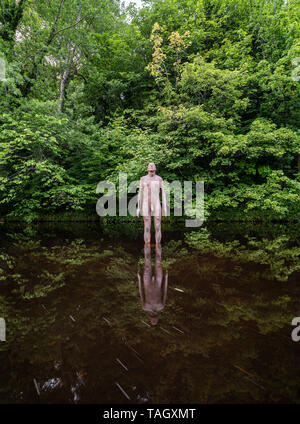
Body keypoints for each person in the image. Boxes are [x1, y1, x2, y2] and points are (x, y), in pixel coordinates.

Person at [137, 163, 167, 244]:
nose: (151, 169)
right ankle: (147, 246)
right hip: (146, 204)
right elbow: (140, 193)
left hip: (156, 203)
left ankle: (158, 246)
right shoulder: (143, 179)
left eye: (153, 168)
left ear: (155, 169)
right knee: (147, 227)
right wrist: (138, 207)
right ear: (147, 169)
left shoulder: (159, 179)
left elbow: (163, 193)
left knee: (157, 226)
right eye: (150, 168)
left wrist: (165, 207)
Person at [137, 244, 168, 326]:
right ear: (158, 318)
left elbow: (141, 292)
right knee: (158, 261)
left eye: (152, 321)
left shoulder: (145, 307)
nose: (153, 320)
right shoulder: (161, 306)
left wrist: (139, 279)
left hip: (147, 282)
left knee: (147, 260)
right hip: (158, 281)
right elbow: (165, 291)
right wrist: (166, 278)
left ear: (149, 319)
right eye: (155, 321)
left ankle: (147, 243)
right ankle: (157, 243)